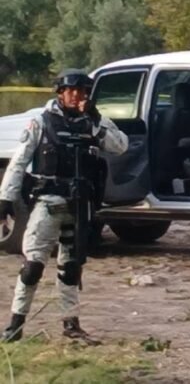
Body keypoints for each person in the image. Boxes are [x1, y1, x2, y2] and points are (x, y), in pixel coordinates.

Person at [0, 69, 129, 343]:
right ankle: (15, 324)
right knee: (33, 265)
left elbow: (120, 146)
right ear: (60, 92)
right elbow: (19, 162)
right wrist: (5, 199)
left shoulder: (93, 122)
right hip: (49, 203)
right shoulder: (41, 122)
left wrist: (94, 118)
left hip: (80, 205)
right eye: (72, 91)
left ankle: (71, 325)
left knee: (71, 267)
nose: (77, 96)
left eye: (83, 92)